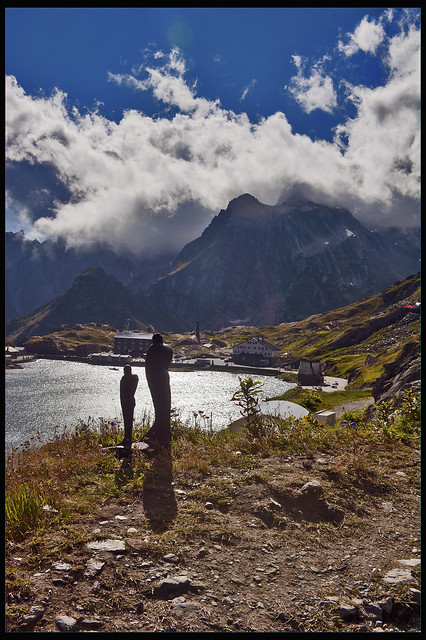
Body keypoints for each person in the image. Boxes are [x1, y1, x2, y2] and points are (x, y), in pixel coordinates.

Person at [143, 333, 173, 449]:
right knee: (165, 405)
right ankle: (164, 434)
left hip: (154, 379)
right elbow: (167, 365)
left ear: (153, 341)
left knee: (159, 405)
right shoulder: (169, 350)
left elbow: (149, 366)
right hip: (165, 377)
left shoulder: (152, 349)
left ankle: (158, 434)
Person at [119, 364, 139, 453]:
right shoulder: (134, 378)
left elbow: (122, 392)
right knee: (129, 420)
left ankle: (127, 439)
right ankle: (127, 438)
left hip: (126, 401)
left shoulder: (125, 379)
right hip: (131, 400)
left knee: (127, 419)